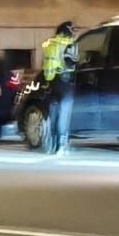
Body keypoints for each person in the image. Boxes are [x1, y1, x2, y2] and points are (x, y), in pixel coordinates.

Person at [39, 22, 77, 154]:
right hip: (65, 81)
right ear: (67, 31)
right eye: (72, 30)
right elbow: (71, 61)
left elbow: (45, 64)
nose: (74, 32)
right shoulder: (69, 43)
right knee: (64, 114)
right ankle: (62, 145)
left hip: (51, 82)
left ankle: (51, 144)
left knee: (53, 113)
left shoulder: (50, 44)